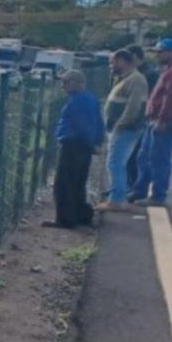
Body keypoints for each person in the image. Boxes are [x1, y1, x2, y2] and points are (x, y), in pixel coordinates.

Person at [132, 38, 172, 207]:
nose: (157, 55)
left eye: (160, 52)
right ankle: (140, 190)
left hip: (165, 120)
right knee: (144, 157)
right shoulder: (171, 69)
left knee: (158, 160)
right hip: (157, 119)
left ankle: (158, 196)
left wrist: (163, 118)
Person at [46, 69, 103, 228]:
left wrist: (88, 141)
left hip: (74, 144)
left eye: (66, 82)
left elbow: (82, 125)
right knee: (78, 181)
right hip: (83, 145)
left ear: (76, 83)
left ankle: (66, 219)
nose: (63, 86)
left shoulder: (78, 101)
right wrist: (96, 141)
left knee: (64, 183)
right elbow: (99, 122)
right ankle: (80, 214)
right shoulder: (90, 98)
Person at [97, 49, 147, 210]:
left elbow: (134, 106)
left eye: (113, 62)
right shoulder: (123, 79)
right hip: (121, 128)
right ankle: (118, 195)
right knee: (117, 162)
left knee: (115, 163)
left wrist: (121, 124)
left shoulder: (136, 79)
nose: (111, 65)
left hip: (126, 129)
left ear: (123, 61)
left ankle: (117, 200)